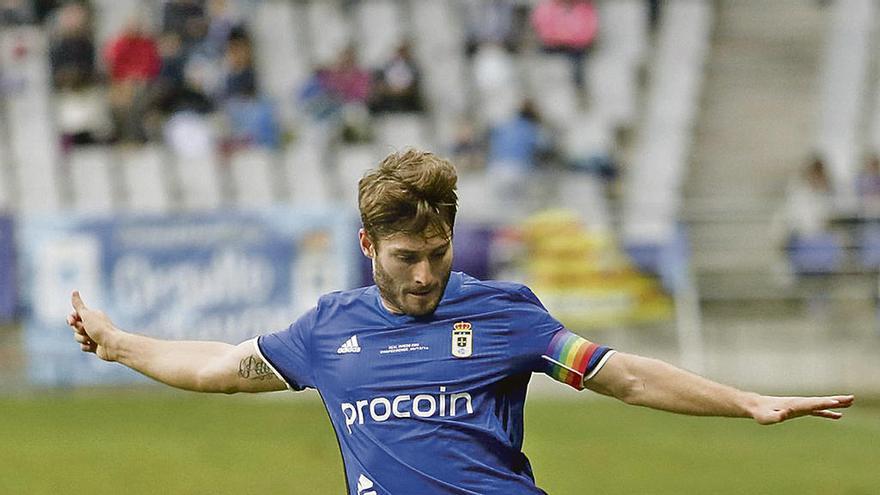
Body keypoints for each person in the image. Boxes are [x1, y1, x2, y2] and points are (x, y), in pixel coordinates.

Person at [67, 149, 854, 495]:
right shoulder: (327, 330)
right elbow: (220, 369)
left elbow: (624, 374)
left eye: (438, 252)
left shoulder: (507, 314)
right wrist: (118, 343)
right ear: (369, 244)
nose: (425, 274)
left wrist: (748, 400)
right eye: (407, 255)